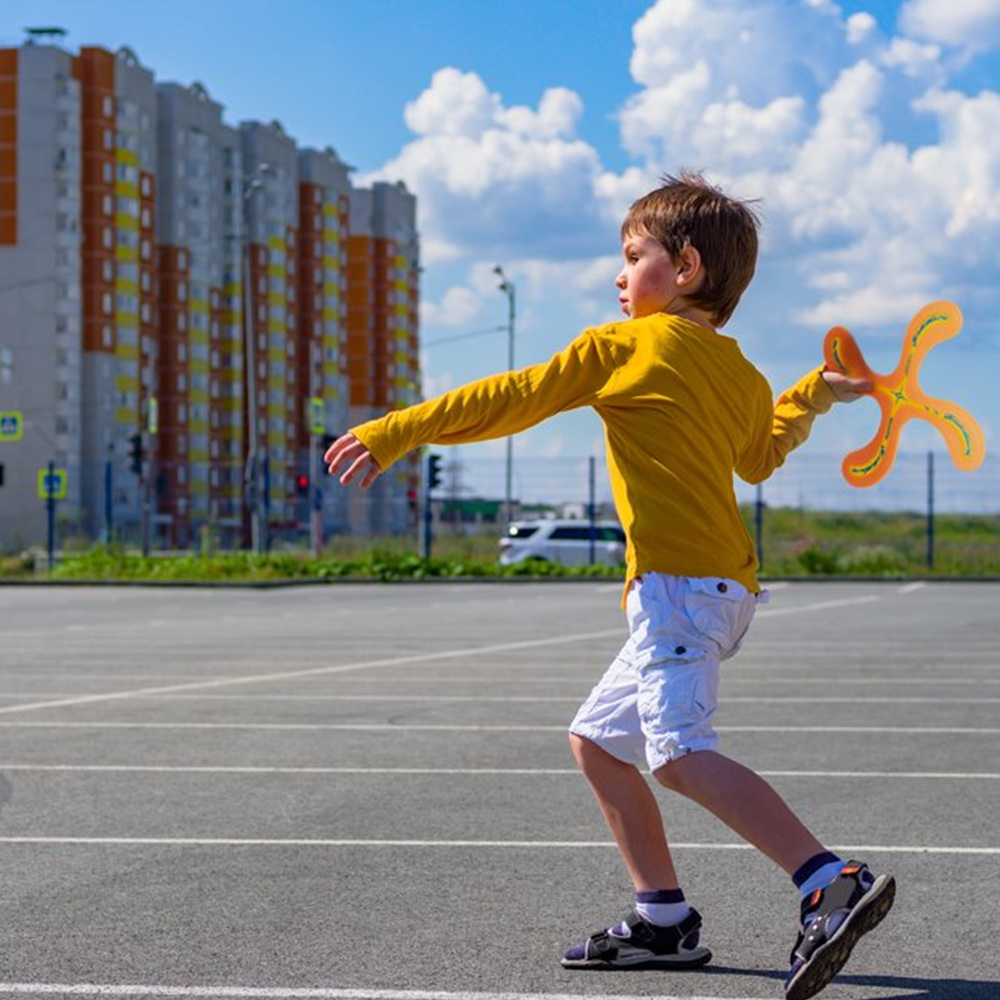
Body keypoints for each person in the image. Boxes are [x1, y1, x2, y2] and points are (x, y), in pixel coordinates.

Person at [325, 171, 895, 1000]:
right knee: (597, 741)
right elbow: (761, 456)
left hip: (678, 592)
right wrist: (811, 394)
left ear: (685, 269)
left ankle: (827, 879)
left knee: (678, 753)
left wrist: (397, 429)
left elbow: (514, 396)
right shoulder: (739, 373)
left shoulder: (624, 347)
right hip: (720, 592)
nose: (619, 276)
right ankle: (663, 919)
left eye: (633, 257)